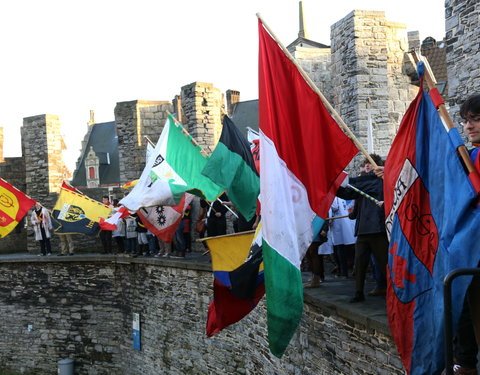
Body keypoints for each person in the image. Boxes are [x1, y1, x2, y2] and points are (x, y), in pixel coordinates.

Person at [442, 94, 480, 375]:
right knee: (465, 300)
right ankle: (465, 361)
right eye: (466, 120)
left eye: (476, 119)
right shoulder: (471, 156)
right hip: (470, 243)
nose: (469, 126)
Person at [337, 154, 388, 303]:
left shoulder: (379, 181)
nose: (368, 167)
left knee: (384, 264)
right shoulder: (367, 182)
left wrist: (338, 181)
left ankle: (394, 293)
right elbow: (349, 193)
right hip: (364, 230)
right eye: (366, 164)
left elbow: (352, 185)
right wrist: (334, 186)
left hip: (378, 229)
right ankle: (359, 292)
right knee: (360, 264)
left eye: (371, 164)